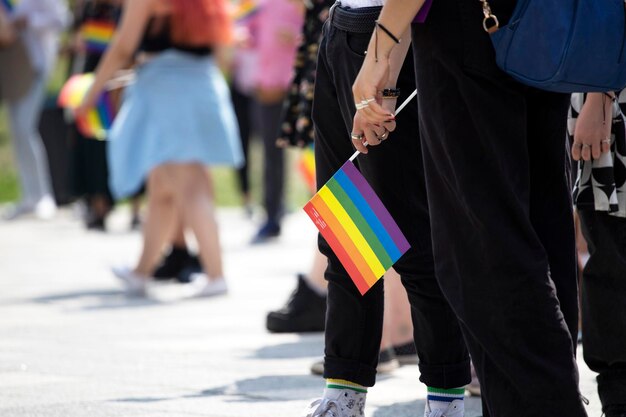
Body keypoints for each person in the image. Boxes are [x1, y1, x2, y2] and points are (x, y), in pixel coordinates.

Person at [352, 1, 587, 416]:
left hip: (467, 27)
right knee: (538, 228)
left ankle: (553, 405)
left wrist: (380, 48)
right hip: (543, 23)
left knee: (484, 250)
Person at [302, 2, 470, 417]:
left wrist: (386, 72)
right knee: (345, 235)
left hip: (390, 40)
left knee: (413, 237)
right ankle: (344, 393)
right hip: (342, 29)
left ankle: (445, 397)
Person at [77, 0, 243, 297]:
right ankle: (141, 272)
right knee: (162, 186)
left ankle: (216, 275)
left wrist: (91, 92)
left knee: (192, 188)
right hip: (203, 86)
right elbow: (223, 53)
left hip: (169, 94)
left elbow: (123, 47)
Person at [569, 89, 626, 417]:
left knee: (610, 257)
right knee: (608, 253)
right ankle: (617, 399)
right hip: (603, 95)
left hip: (604, 94)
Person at [1, 0, 69, 220]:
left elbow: (62, 20)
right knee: (17, 131)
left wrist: (29, 21)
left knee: (25, 128)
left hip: (37, 68)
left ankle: (43, 196)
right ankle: (29, 196)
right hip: (14, 69)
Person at [69, 0, 122, 231]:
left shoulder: (122, 10)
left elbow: (123, 49)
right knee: (90, 144)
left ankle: (117, 204)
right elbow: (78, 43)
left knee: (109, 144)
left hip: (116, 83)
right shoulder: (89, 9)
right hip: (90, 80)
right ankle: (96, 204)